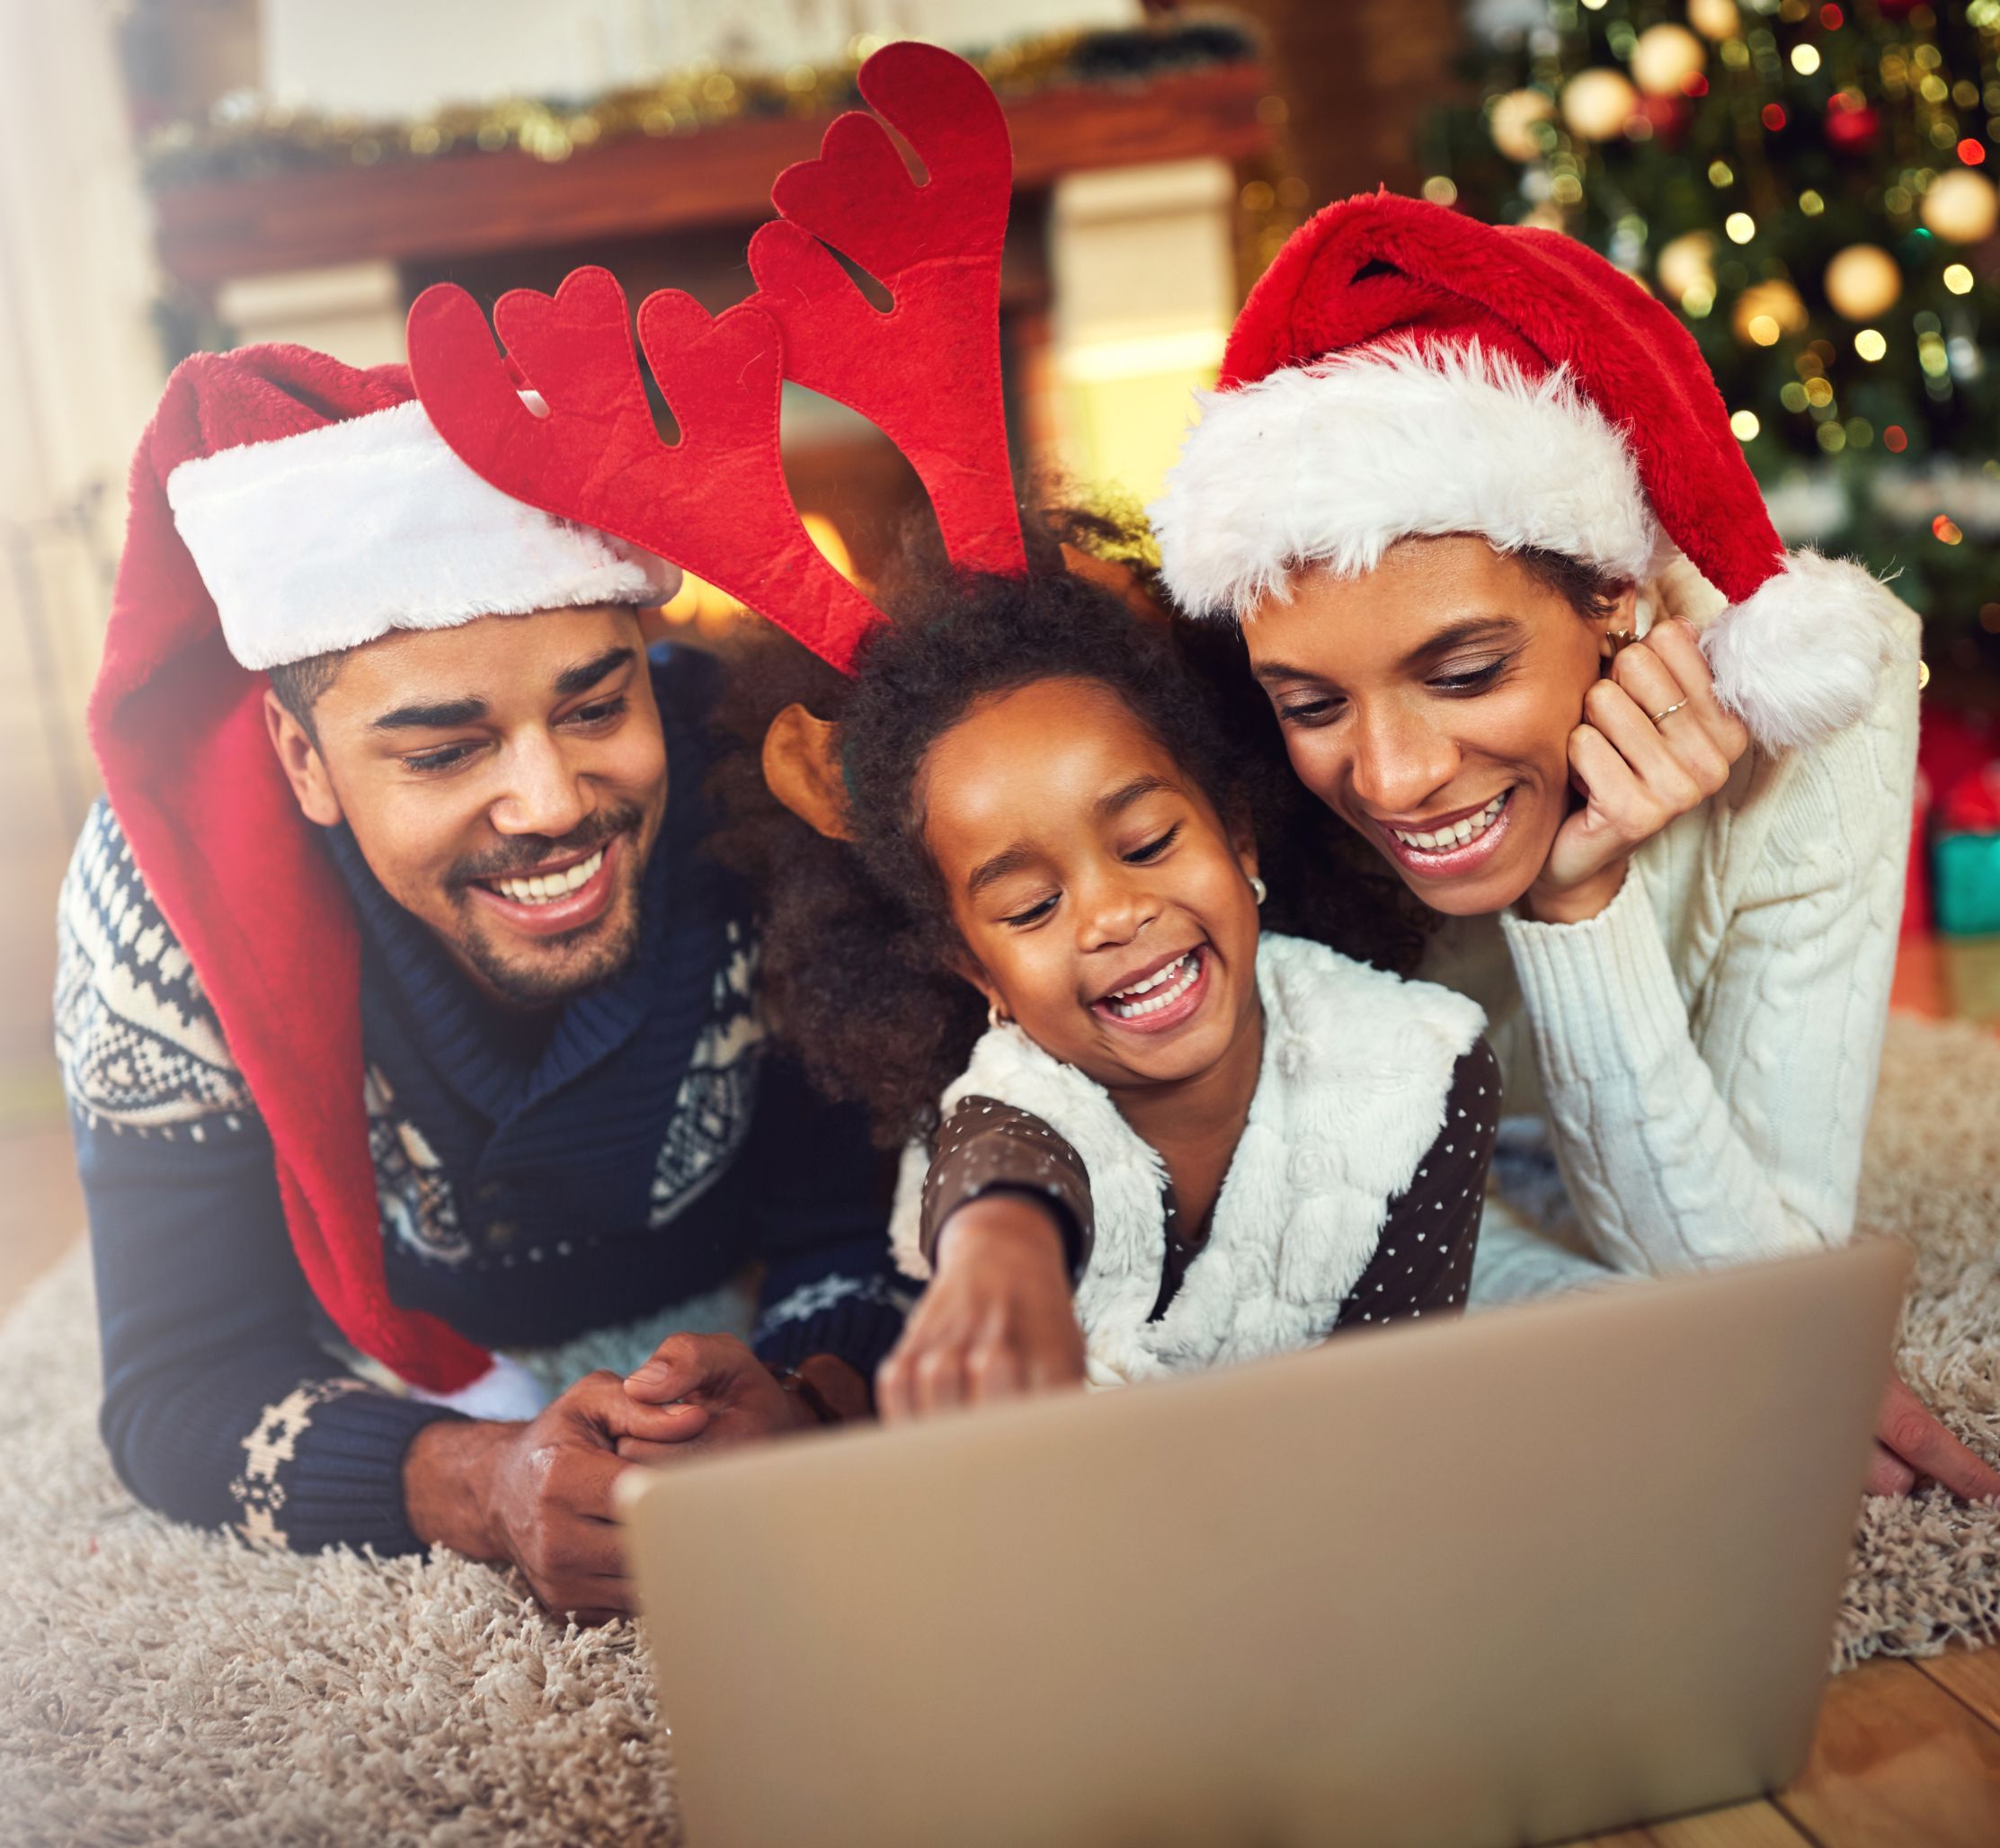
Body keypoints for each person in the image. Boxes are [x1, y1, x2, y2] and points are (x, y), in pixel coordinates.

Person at [1133, 191, 2000, 1503]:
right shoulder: (1233, 767)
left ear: (1619, 595)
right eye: (1315, 701)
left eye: (1467, 670)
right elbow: (1291, 1205)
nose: (1393, 775)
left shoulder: (1821, 696)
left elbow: (1769, 1273)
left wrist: (1582, 903)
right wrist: (1639, 1355)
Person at [58, 344, 903, 1622]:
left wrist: (805, 1388)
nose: (554, 803)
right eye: (447, 750)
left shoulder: (760, 785)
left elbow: (868, 1225)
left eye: (595, 707)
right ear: (304, 760)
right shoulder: (165, 904)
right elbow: (181, 1375)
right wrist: (479, 1481)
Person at [692, 554, 1498, 1417]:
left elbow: (1399, 1403)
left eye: (1149, 844)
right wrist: (998, 1255)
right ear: (976, 970)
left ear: (1239, 840)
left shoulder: (1423, 1071)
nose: (1112, 915)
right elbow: (1003, 1178)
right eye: (1033, 906)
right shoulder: (1014, 1097)